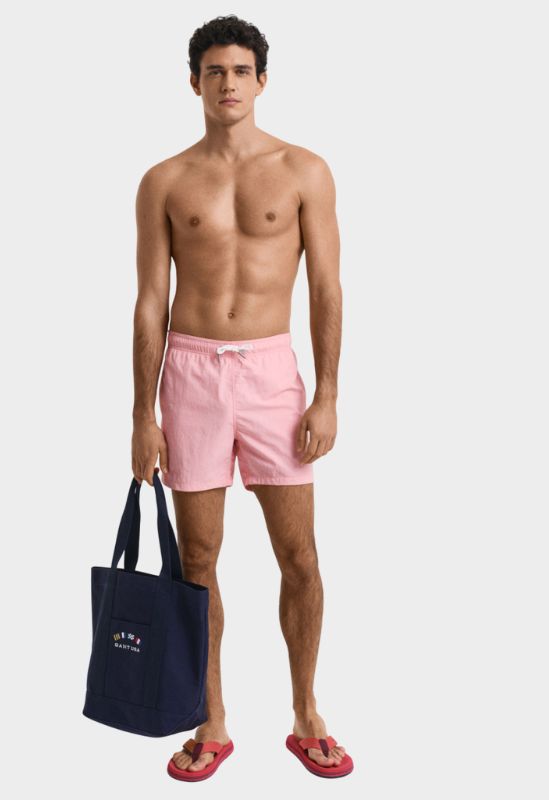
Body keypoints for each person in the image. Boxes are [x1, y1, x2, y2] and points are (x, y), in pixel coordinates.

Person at [130, 15, 351, 780]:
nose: (228, 83)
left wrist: (327, 394)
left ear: (262, 81)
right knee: (196, 559)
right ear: (195, 81)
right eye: (215, 71)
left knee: (300, 556)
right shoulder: (164, 181)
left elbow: (326, 287)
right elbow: (150, 302)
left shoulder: (304, 171)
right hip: (190, 376)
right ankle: (211, 717)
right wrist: (141, 413)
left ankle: (306, 710)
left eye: (241, 70)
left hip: (270, 375)